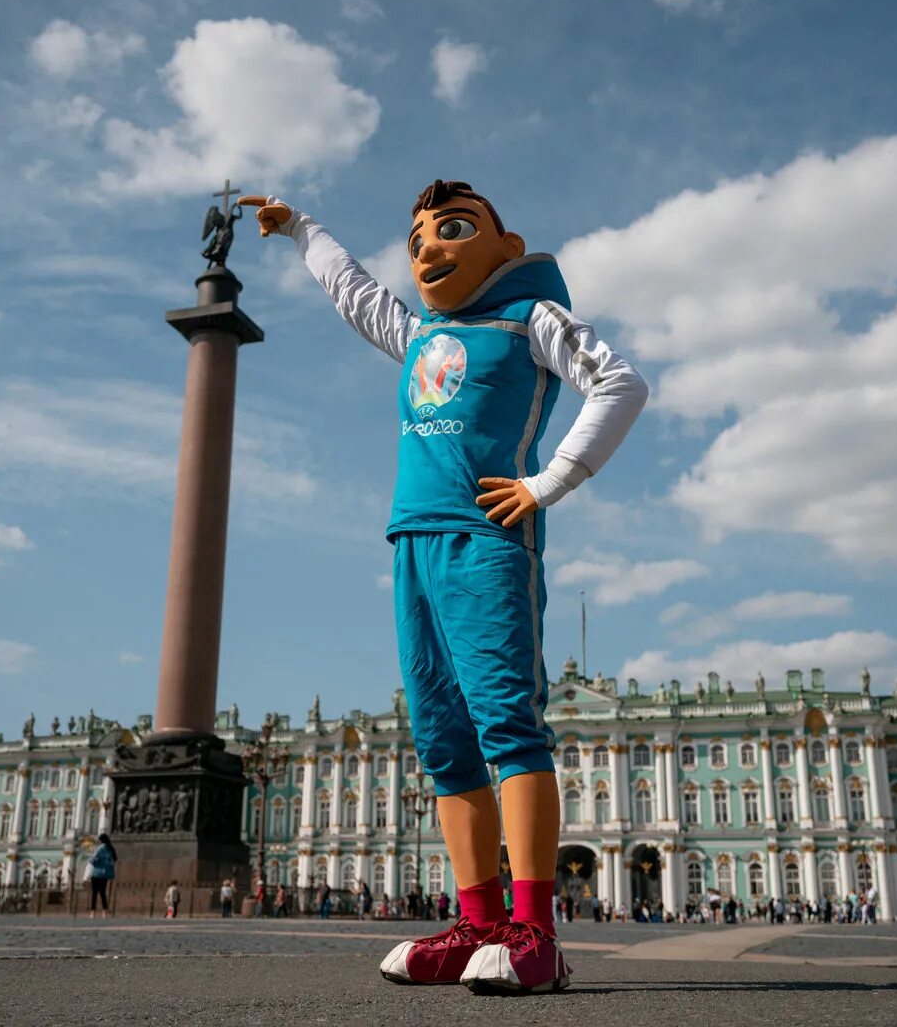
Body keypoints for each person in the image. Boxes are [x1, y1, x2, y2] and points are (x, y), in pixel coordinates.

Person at [244, 184, 645, 997]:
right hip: (412, 541)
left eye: (453, 230)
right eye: (418, 235)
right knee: (442, 742)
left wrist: (548, 482)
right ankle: (479, 923)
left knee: (506, 723)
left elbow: (621, 383)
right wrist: (300, 229)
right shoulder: (420, 330)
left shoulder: (531, 318)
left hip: (488, 540)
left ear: (508, 246)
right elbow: (353, 292)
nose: (427, 248)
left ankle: (535, 933)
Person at [88, 833, 117, 919]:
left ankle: (93, 913)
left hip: (97, 873)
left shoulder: (100, 849)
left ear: (101, 840)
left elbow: (94, 859)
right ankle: (104, 912)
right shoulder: (110, 849)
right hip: (105, 874)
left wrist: (90, 860)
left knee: (94, 893)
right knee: (103, 893)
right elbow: (114, 859)